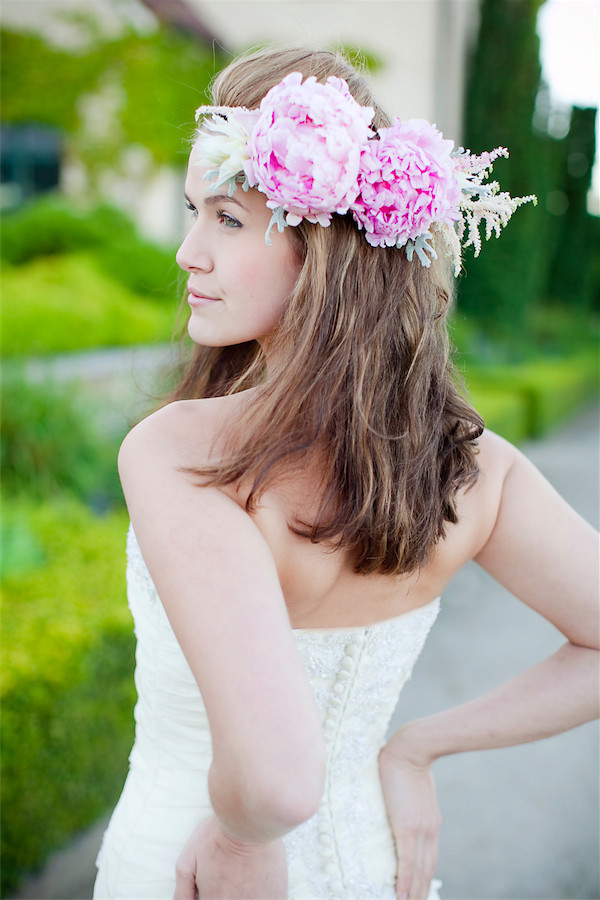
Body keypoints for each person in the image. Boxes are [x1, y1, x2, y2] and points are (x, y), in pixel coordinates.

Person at [93, 46, 598, 900]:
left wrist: (243, 836)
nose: (187, 254)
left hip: (192, 871)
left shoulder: (182, 452)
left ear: (323, 249)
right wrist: (415, 747)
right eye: (192, 213)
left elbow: (277, 785)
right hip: (373, 868)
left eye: (226, 217)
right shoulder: (476, 470)